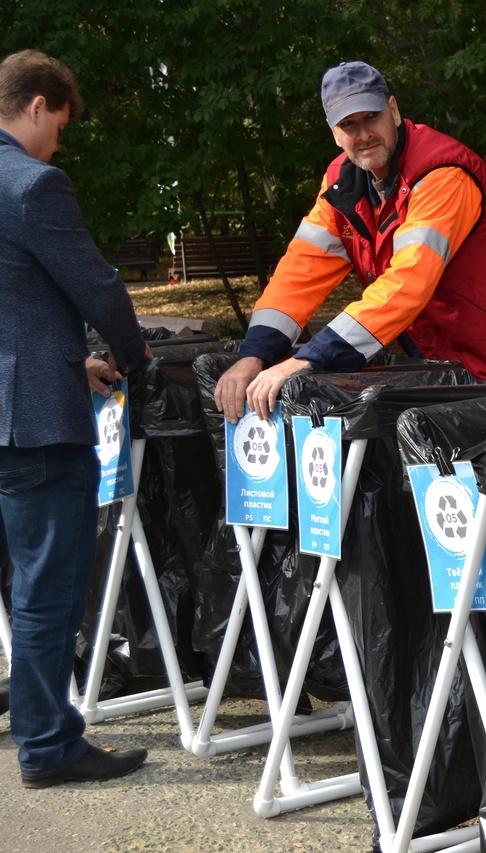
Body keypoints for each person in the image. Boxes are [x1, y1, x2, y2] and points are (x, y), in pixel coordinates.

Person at [215, 60, 486, 423]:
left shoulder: (441, 174)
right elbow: (298, 275)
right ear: (334, 133)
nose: (363, 134)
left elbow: (408, 282)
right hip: (439, 355)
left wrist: (307, 359)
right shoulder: (339, 186)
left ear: (393, 111)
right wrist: (253, 356)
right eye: (349, 124)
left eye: (371, 117)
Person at [0, 49, 150, 787]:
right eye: (57, 125)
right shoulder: (34, 184)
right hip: (35, 425)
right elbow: (97, 285)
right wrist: (132, 356)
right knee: (47, 588)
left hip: (14, 399)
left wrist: (66, 360)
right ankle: (49, 744)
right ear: (36, 106)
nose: (58, 143)